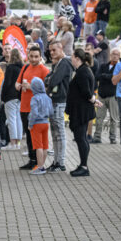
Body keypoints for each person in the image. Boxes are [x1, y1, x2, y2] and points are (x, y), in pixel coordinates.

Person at [16, 46, 50, 170]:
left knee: (36, 138)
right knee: (29, 137)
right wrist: (18, 85)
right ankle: (31, 159)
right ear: (28, 56)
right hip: (24, 106)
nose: (34, 59)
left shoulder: (44, 70)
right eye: (31, 56)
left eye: (36, 56)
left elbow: (47, 89)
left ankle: (38, 162)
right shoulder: (25, 67)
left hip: (36, 109)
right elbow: (17, 82)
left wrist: (31, 87)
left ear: (40, 57)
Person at [66, 49, 97, 177]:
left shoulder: (82, 72)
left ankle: (84, 166)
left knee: (81, 138)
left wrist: (94, 100)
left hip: (81, 111)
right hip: (80, 110)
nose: (71, 59)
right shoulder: (82, 70)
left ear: (77, 58)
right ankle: (82, 164)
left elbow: (86, 92)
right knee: (81, 138)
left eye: (72, 57)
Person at [45, 40, 73, 172]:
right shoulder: (57, 64)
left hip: (59, 100)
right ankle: (56, 161)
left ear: (61, 48)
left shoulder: (65, 62)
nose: (51, 53)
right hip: (54, 100)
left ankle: (60, 163)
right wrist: (50, 80)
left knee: (59, 133)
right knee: (55, 133)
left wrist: (50, 80)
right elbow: (49, 79)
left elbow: (54, 80)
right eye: (50, 50)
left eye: (54, 50)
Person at [94, 47, 121, 144]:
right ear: (110, 55)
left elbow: (115, 78)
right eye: (113, 53)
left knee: (114, 118)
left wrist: (104, 76)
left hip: (113, 96)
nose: (114, 55)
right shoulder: (103, 65)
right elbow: (97, 76)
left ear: (119, 56)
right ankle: (97, 136)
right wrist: (108, 77)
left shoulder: (120, 67)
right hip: (101, 95)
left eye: (117, 54)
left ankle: (113, 138)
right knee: (99, 117)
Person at [27, 77, 52, 175]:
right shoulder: (47, 97)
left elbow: (34, 112)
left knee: (38, 146)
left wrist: (30, 124)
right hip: (46, 123)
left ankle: (40, 167)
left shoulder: (35, 98)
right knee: (45, 146)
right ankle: (42, 165)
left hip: (36, 124)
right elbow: (51, 112)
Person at [0, 48, 24, 151]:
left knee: (11, 120)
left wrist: (3, 96)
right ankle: (18, 143)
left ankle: (12, 143)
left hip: (10, 96)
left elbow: (7, 83)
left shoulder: (10, 68)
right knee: (18, 119)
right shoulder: (22, 68)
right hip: (19, 96)